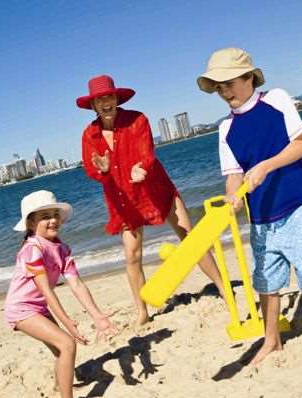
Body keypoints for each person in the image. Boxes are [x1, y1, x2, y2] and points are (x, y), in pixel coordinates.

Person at [197, 47, 302, 371]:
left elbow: (301, 144)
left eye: (228, 82)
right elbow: (234, 175)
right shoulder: (225, 129)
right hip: (260, 217)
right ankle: (271, 340)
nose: (224, 91)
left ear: (249, 77)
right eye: (218, 86)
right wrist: (233, 198)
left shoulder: (275, 99)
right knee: (266, 283)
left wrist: (266, 165)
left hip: (295, 207)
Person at [77, 75, 226, 325]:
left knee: (190, 238)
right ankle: (142, 312)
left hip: (155, 188)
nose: (106, 102)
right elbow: (92, 170)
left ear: (116, 98)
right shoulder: (89, 135)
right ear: (92, 105)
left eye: (109, 96)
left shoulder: (137, 120)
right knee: (132, 256)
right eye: (99, 99)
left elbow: (147, 153)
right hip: (123, 200)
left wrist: (140, 168)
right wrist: (102, 169)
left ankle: (222, 286)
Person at [4, 190, 118, 398]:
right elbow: (46, 290)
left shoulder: (62, 248)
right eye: (45, 216)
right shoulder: (31, 249)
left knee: (60, 349)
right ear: (31, 223)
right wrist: (67, 323)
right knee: (67, 344)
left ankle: (60, 386)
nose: (53, 220)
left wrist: (97, 316)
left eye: (55, 214)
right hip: (22, 309)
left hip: (39, 308)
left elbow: (76, 284)